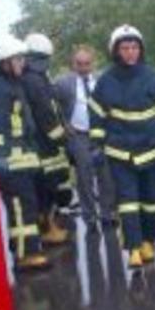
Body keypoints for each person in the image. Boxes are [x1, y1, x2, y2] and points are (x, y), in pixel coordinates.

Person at [89, 25, 155, 269]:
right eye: (125, 48)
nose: (130, 52)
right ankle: (133, 249)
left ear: (141, 49)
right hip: (120, 153)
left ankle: (148, 242)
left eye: (134, 47)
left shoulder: (154, 78)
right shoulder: (106, 81)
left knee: (151, 201)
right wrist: (96, 145)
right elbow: (96, 115)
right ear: (116, 51)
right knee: (128, 202)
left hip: (152, 150)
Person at [0, 36, 49, 270]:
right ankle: (26, 255)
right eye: (19, 59)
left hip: (18, 157)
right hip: (9, 160)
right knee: (21, 207)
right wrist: (10, 154)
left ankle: (27, 249)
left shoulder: (8, 83)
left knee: (25, 204)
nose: (23, 63)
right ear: (5, 61)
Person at [55, 45, 116, 233]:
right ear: (73, 64)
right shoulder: (63, 83)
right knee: (84, 178)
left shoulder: (103, 81)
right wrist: (63, 124)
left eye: (87, 64)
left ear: (93, 63)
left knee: (107, 177)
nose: (83, 67)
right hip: (79, 136)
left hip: (103, 136)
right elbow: (49, 104)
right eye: (79, 64)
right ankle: (90, 217)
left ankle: (107, 215)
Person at [21, 33, 72, 245]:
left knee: (45, 187)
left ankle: (45, 226)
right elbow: (44, 111)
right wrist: (61, 137)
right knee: (47, 188)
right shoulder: (35, 78)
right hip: (45, 145)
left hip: (37, 143)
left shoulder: (29, 75)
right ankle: (47, 229)